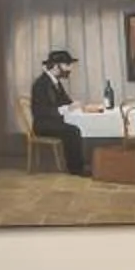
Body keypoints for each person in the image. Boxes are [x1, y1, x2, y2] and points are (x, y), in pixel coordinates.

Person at [29, 48, 89, 176]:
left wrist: (74, 105)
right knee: (73, 131)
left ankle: (81, 163)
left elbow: (66, 102)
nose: (70, 69)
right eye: (67, 65)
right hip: (43, 125)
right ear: (56, 66)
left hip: (54, 122)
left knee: (78, 127)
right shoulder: (40, 84)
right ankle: (76, 169)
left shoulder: (56, 83)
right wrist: (66, 109)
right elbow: (40, 111)